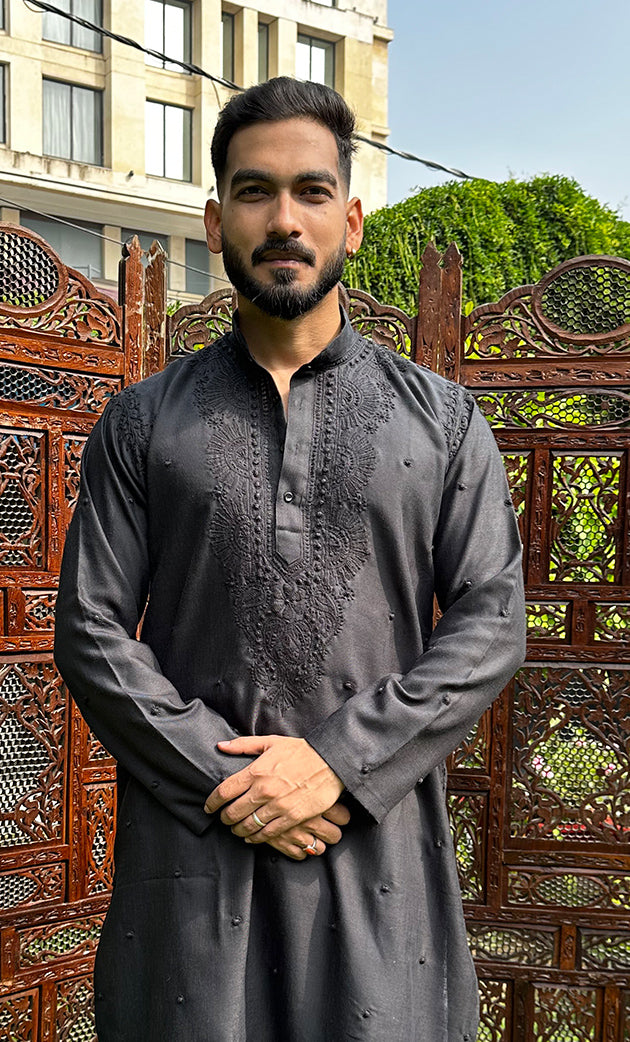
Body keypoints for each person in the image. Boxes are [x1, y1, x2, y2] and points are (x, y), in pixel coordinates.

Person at [54, 77, 526, 1042]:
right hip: (192, 873)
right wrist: (232, 781)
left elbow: (492, 621)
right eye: (254, 191)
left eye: (311, 191)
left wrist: (338, 765)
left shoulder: (441, 420)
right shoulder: (141, 422)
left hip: (378, 865)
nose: (283, 220)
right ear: (215, 218)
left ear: (349, 220)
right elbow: (90, 629)